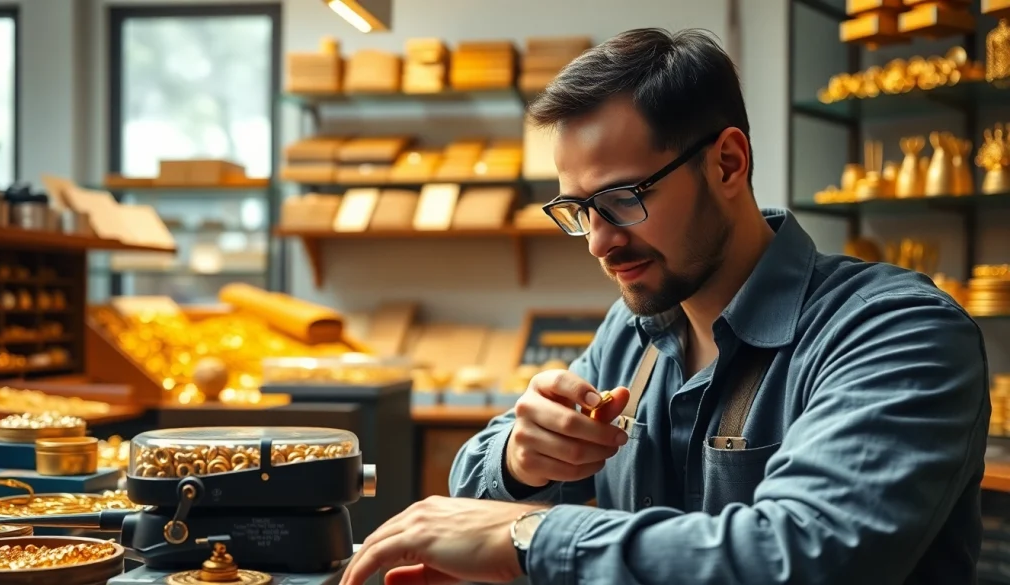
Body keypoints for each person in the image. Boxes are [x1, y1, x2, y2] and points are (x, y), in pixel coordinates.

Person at [340, 28, 990, 585]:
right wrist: (519, 458)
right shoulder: (634, 331)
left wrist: (529, 535)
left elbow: (802, 555)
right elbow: (474, 485)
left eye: (622, 199)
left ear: (728, 163)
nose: (598, 242)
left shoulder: (898, 331)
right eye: (579, 210)